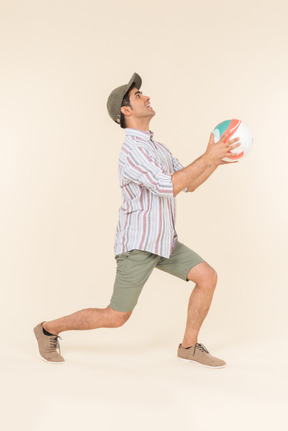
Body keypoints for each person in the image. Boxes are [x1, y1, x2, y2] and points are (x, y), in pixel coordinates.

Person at [34, 73, 241, 368]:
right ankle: (47, 329)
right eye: (138, 95)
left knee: (207, 277)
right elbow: (168, 186)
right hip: (139, 244)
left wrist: (214, 161)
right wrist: (207, 157)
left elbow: (189, 183)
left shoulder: (158, 147)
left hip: (164, 241)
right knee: (117, 316)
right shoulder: (131, 151)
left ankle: (189, 346)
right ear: (126, 111)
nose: (146, 97)